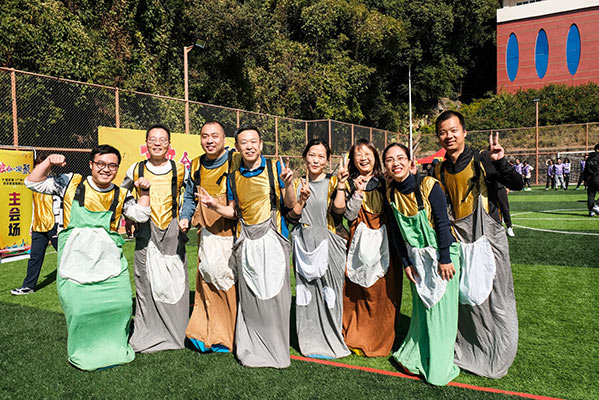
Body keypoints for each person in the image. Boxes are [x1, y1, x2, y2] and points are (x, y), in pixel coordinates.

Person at [24, 145, 151, 370]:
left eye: (112, 165)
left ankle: (115, 349)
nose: (106, 169)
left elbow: (140, 215)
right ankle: (84, 353)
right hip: (75, 264)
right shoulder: (71, 183)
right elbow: (33, 182)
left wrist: (145, 193)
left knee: (122, 306)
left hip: (110, 264)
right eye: (100, 164)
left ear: (117, 168)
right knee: (80, 312)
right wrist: (48, 162)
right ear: (91, 164)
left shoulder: (122, 194)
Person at [433, 111, 522, 379]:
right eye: (443, 132)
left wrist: (501, 162)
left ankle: (498, 356)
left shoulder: (482, 159)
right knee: (466, 299)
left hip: (488, 238)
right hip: (460, 240)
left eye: (453, 130)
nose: (449, 136)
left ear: (464, 132)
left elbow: (517, 184)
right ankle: (470, 351)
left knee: (496, 299)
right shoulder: (439, 169)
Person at [199, 125, 296, 368]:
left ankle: (277, 351)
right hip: (246, 241)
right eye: (244, 143)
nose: (249, 146)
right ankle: (252, 348)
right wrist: (214, 205)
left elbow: (290, 205)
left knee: (275, 295)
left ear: (261, 144)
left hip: (274, 239)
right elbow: (234, 212)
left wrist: (289, 185)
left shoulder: (275, 169)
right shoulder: (234, 176)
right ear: (237, 147)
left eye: (253, 142)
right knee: (251, 296)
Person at [383, 143, 461, 386]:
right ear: (385, 167)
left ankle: (438, 368)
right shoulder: (391, 194)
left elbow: (442, 223)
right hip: (417, 260)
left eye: (400, 158)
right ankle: (417, 357)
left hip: (442, 256)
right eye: (390, 160)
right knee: (423, 313)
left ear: (411, 161)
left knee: (442, 316)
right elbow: (396, 233)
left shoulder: (429, 186)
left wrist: (445, 258)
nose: (395, 163)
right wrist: (406, 263)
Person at [121, 124, 189, 353]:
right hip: (145, 231)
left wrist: (186, 217)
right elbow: (122, 194)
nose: (157, 143)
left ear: (169, 144)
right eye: (153, 139)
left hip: (172, 231)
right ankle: (148, 330)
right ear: (146, 143)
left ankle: (176, 330)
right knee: (145, 279)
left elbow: (191, 195)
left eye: (162, 139)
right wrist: (130, 215)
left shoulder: (179, 169)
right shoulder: (136, 169)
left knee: (175, 278)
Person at [287, 139, 350, 359]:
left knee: (330, 292)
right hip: (304, 242)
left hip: (328, 241)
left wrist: (341, 184)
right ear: (305, 156)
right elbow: (291, 215)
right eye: (312, 155)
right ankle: (308, 340)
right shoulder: (297, 183)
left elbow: (339, 212)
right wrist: (301, 198)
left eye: (321, 156)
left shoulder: (333, 182)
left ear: (327, 160)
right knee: (306, 293)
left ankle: (331, 339)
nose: (316, 160)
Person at [179, 121, 238, 353]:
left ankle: (228, 334)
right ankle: (203, 332)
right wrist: (185, 217)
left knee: (229, 282)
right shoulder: (196, 165)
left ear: (224, 139)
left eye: (215, 136)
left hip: (232, 232)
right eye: (205, 136)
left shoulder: (235, 161)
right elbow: (190, 197)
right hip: (207, 234)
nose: (210, 141)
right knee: (207, 279)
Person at [342, 139, 401, 357]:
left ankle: (379, 338)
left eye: (367, 153)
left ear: (375, 157)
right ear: (353, 160)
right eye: (358, 154)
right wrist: (357, 193)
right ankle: (355, 334)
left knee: (382, 293)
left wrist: (390, 186)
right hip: (358, 244)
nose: (363, 158)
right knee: (357, 291)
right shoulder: (350, 183)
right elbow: (348, 215)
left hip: (385, 244)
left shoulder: (386, 181)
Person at [11, 155, 62, 296]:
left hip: (54, 225)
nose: (39, 169)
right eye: (37, 166)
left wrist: (60, 226)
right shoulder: (35, 184)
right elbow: (35, 206)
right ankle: (28, 286)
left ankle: (80, 283)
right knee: (35, 257)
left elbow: (60, 205)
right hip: (38, 226)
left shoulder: (55, 183)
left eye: (42, 166)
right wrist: (32, 224)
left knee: (66, 255)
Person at [583, 144, 599, 217]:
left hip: (590, 179)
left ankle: (591, 211)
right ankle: (597, 206)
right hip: (597, 177)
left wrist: (585, 180)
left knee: (591, 195)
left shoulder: (589, 158)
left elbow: (586, 170)